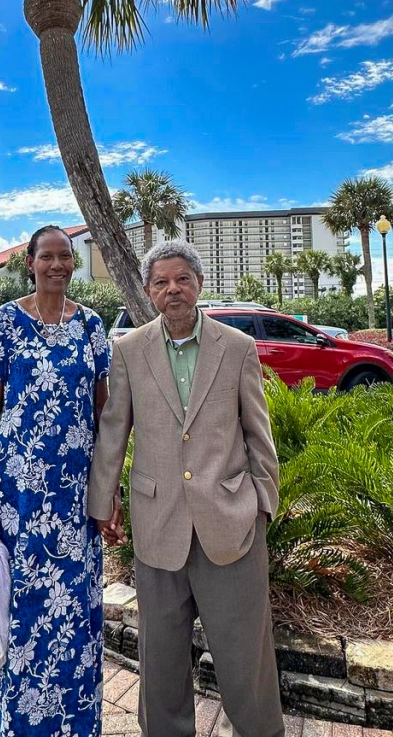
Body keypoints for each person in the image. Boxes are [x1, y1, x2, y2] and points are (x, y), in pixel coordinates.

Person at [89, 240, 284, 737]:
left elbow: (258, 433)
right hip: (159, 528)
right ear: (149, 291)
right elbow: (114, 430)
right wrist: (103, 501)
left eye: (181, 279)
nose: (172, 289)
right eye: (161, 282)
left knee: (247, 660)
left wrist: (263, 502)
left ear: (198, 284)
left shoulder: (236, 347)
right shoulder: (129, 350)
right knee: (161, 661)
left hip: (232, 525)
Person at [0, 225, 111, 737]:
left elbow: (104, 415)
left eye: (65, 256)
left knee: (73, 620)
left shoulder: (92, 327)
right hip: (16, 506)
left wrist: (108, 493)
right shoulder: (5, 322)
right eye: (47, 256)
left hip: (74, 508)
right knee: (13, 614)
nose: (58, 265)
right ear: (29, 262)